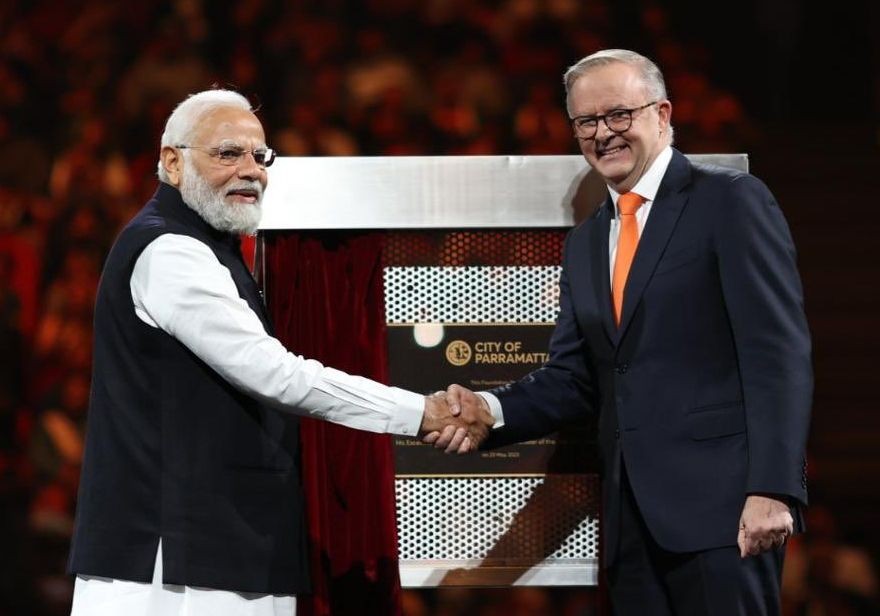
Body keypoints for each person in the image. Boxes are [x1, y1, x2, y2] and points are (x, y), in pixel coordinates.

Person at [66, 89, 492, 616]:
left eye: (259, 156)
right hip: (174, 566)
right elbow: (275, 375)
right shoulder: (170, 251)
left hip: (221, 549)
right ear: (172, 162)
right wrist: (418, 412)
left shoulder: (207, 246)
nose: (251, 171)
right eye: (227, 154)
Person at [430, 49, 812, 615]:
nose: (602, 133)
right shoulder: (587, 241)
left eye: (618, 115)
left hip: (724, 515)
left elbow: (777, 354)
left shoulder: (729, 201)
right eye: (586, 121)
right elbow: (575, 376)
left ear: (662, 114)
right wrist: (490, 409)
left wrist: (772, 489)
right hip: (630, 524)